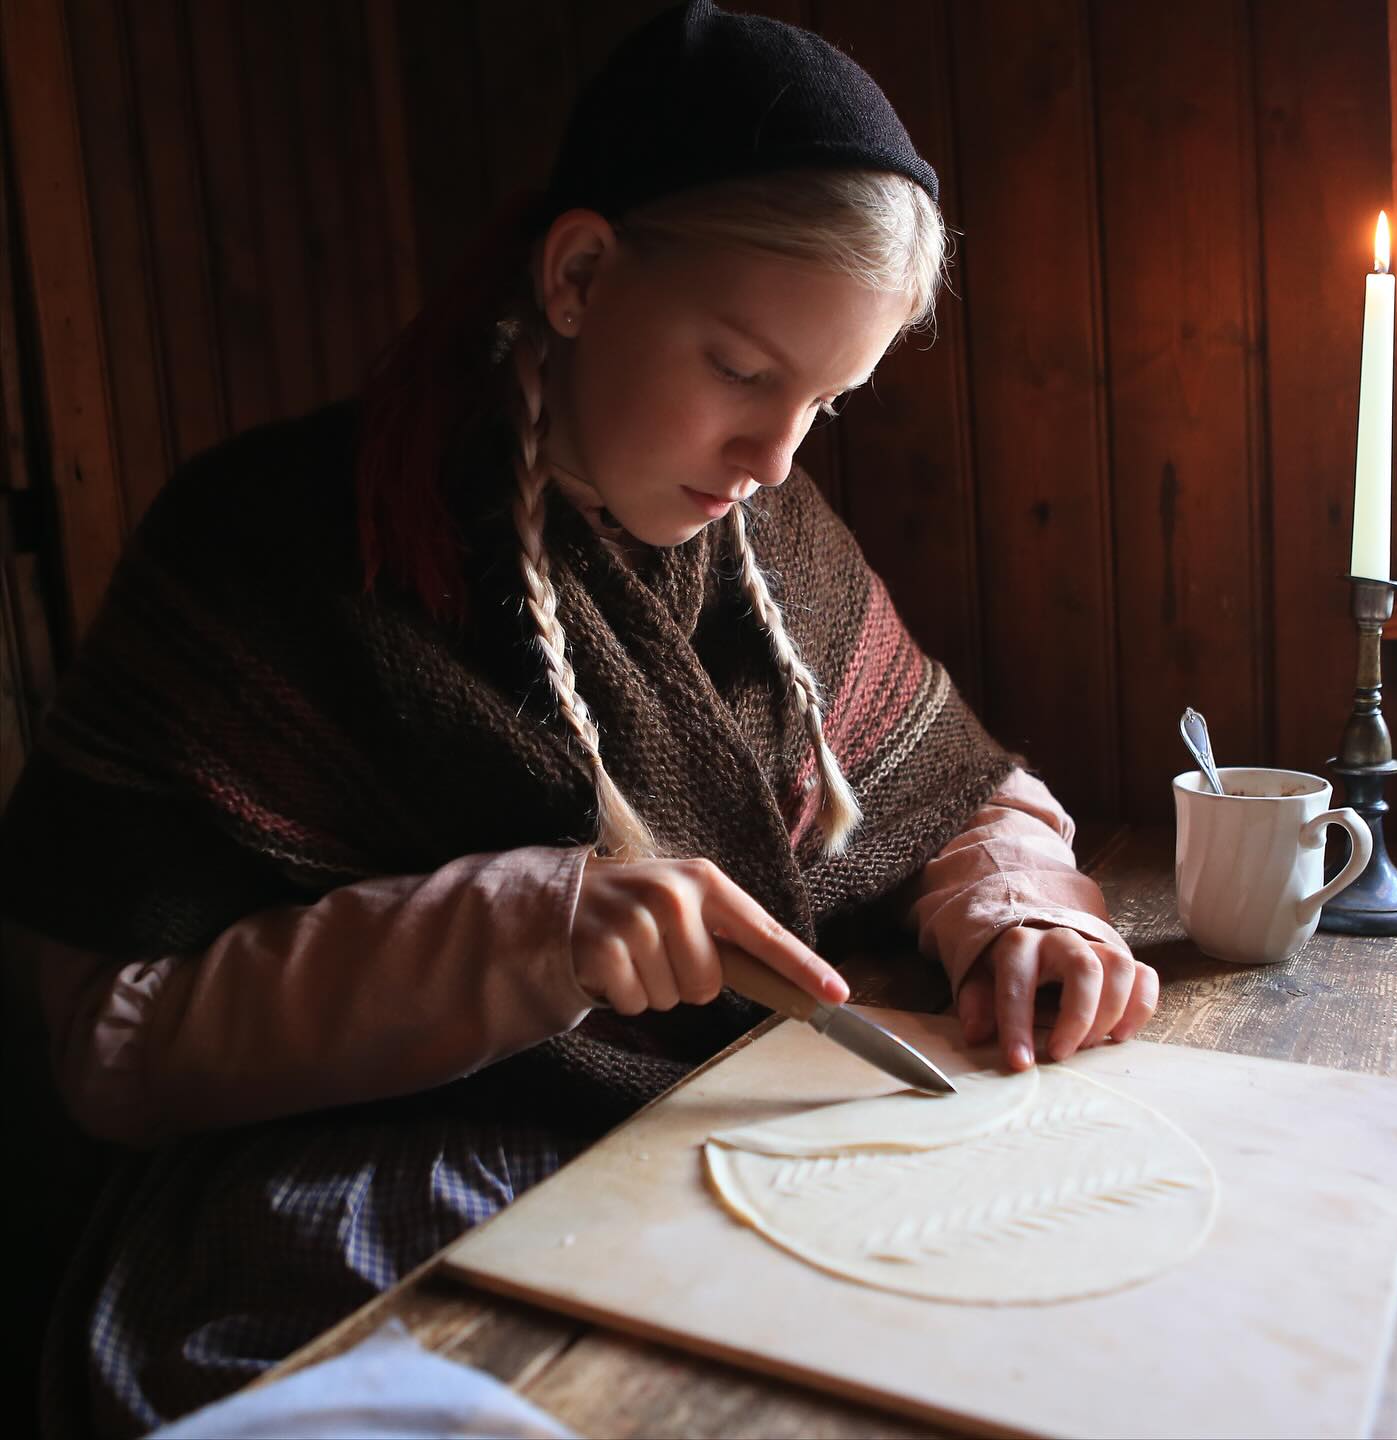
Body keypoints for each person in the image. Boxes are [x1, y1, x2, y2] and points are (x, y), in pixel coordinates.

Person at [0, 2, 1155, 1435]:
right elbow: (114, 1040)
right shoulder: (271, 540)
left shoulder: (771, 543)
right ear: (581, 271)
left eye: (825, 404)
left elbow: (954, 790)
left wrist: (1024, 906)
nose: (772, 454)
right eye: (740, 370)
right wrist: (523, 932)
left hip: (724, 1145)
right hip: (373, 1192)